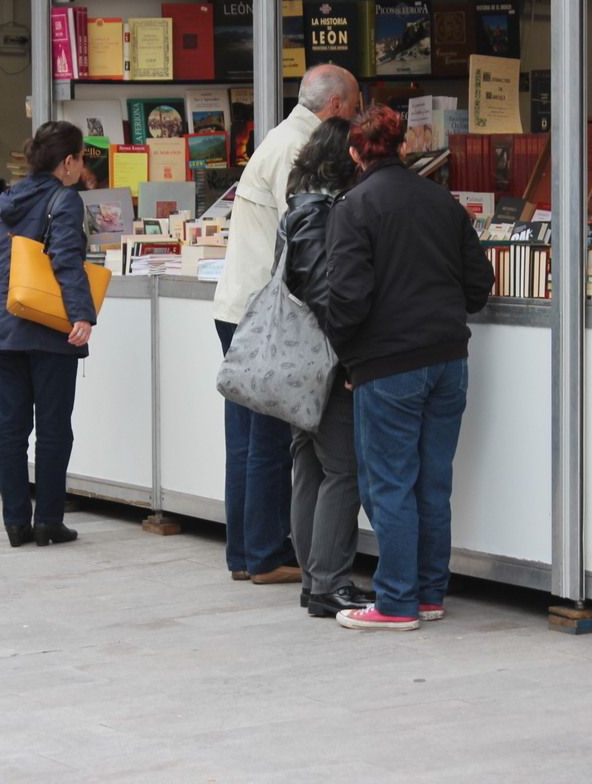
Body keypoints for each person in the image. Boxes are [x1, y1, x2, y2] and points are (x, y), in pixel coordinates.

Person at [324, 103, 495, 631]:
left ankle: (396, 600)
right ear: (403, 148)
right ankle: (428, 592)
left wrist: (349, 357)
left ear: (355, 153)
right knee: (431, 483)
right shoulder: (443, 203)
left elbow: (346, 299)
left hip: (387, 363)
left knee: (387, 484)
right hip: (448, 359)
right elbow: (478, 287)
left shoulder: (353, 207)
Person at [212, 64, 361, 584]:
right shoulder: (301, 151)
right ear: (338, 106)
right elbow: (305, 235)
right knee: (270, 439)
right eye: (356, 104)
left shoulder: (278, 139)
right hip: (270, 314)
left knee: (246, 438)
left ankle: (243, 552)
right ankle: (266, 555)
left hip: (242, 308)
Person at [275, 118, 375, 617]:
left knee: (310, 466)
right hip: (323, 362)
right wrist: (353, 356)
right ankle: (329, 582)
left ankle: (315, 578)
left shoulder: (300, 207)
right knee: (344, 468)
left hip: (300, 361)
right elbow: (322, 295)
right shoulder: (318, 214)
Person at [0, 121, 97, 548]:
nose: (81, 167)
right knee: (52, 429)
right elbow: (65, 258)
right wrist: (81, 315)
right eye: (81, 158)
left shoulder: (7, 201)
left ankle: (15, 521)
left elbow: (2, 267)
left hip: (5, 325)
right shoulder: (63, 199)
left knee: (10, 429)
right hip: (48, 329)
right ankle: (48, 518)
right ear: (67, 162)